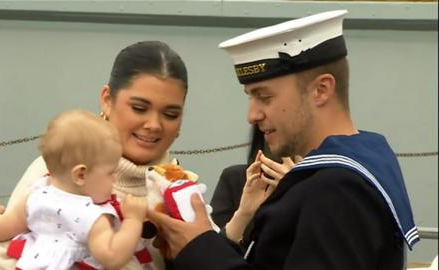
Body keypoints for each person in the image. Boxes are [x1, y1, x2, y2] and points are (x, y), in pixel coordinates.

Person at [148, 10, 419, 270]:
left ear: (321, 90)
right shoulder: (367, 157)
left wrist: (199, 246)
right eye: (251, 98)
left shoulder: (334, 188)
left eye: (265, 97)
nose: (252, 115)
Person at [0, 40, 189, 270]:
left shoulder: (179, 190)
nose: (154, 125)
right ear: (107, 100)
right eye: (139, 108)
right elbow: (1, 255)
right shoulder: (57, 168)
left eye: (170, 114)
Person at [0, 109, 149, 269]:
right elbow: (112, 257)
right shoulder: (93, 217)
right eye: (110, 173)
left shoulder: (36, 197)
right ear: (80, 175)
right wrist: (133, 220)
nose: (114, 178)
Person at [210, 125, 297, 246]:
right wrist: (244, 214)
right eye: (268, 131)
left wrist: (299, 189)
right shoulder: (237, 178)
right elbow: (214, 255)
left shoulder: (320, 184)